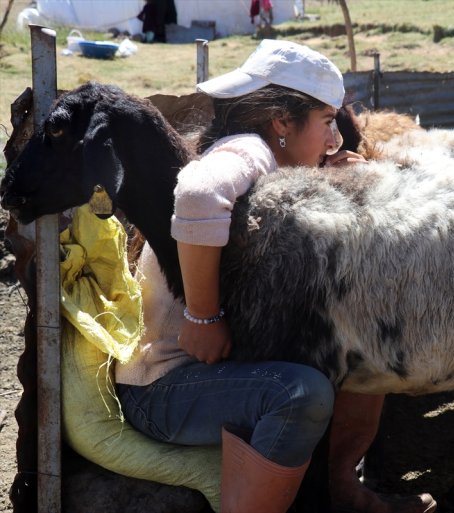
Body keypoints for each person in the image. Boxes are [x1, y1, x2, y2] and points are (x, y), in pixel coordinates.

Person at [115, 39, 435, 513]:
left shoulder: (278, 163)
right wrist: (203, 318)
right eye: (327, 122)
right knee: (300, 394)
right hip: (165, 387)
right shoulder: (247, 150)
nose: (336, 141)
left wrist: (333, 184)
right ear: (281, 121)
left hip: (213, 375)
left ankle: (341, 490)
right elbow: (199, 195)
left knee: (359, 354)